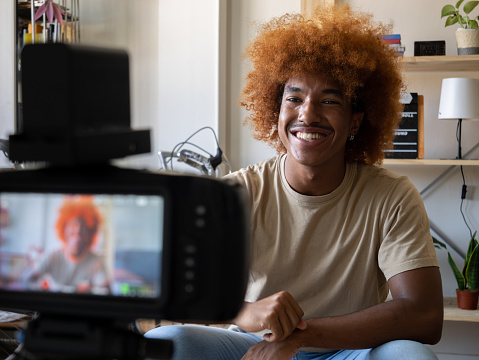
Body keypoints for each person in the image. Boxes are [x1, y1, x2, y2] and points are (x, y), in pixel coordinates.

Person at [145, 5, 443, 360]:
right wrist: (244, 312)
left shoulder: (392, 196)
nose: (308, 114)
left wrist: (300, 336)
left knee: (411, 356)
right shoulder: (240, 192)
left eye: (329, 100)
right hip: (254, 345)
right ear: (276, 111)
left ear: (356, 123)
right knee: (167, 341)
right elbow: (172, 291)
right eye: (295, 97)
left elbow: (425, 316)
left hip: (351, 351)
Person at [26, 196, 110, 294]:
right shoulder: (53, 256)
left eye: (83, 226)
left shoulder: (96, 262)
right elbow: (29, 280)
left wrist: (92, 289)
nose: (78, 230)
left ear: (91, 233)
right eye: (74, 224)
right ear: (64, 228)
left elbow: (106, 290)